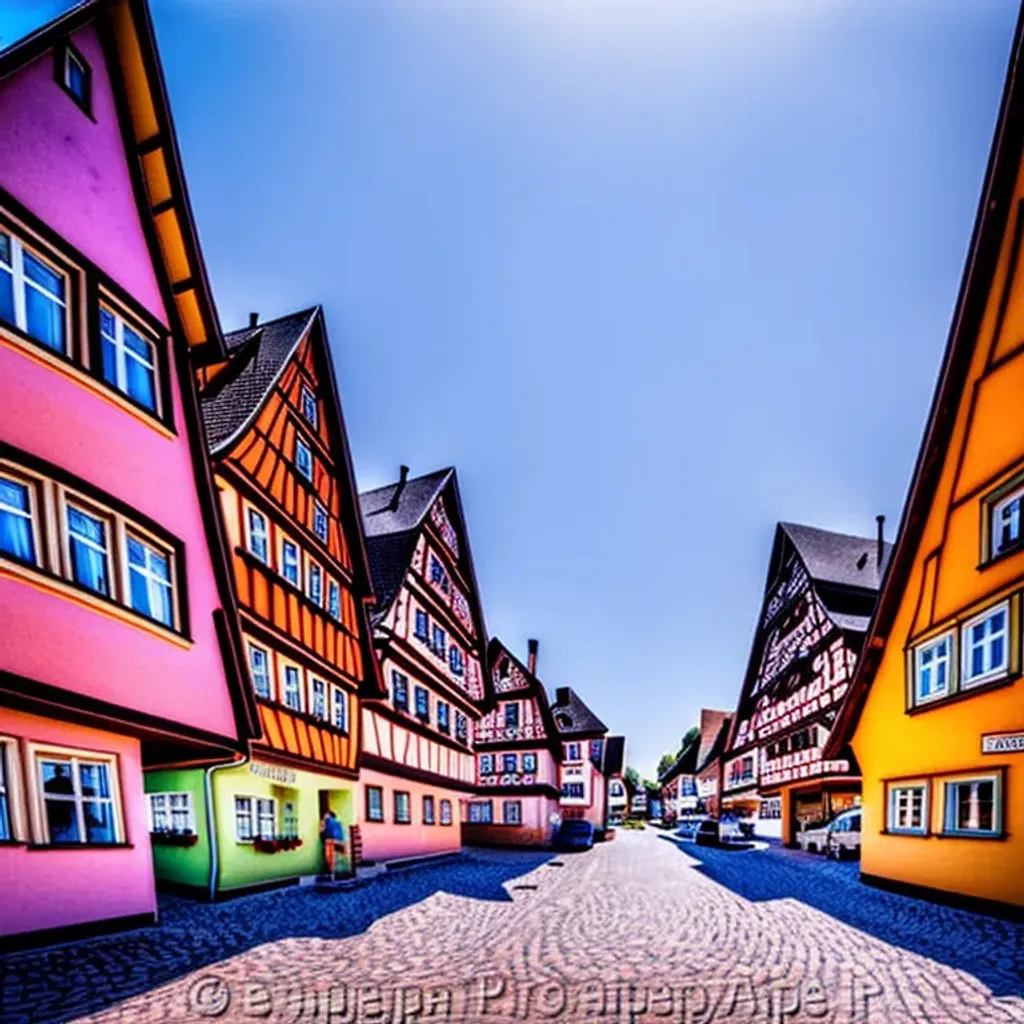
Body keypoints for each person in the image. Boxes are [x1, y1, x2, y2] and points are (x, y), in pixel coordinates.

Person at [320, 809, 345, 880]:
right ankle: (338, 871)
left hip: (329, 841)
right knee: (336, 856)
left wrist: (322, 825)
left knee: (329, 856)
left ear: (328, 815)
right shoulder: (338, 823)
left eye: (325, 814)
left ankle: (330, 871)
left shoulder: (326, 821)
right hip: (339, 841)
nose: (324, 816)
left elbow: (321, 831)